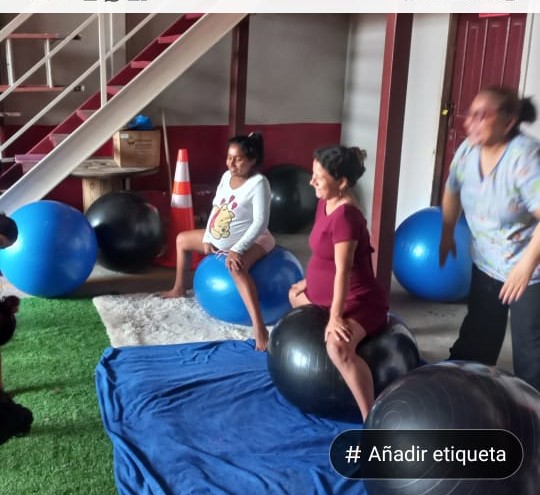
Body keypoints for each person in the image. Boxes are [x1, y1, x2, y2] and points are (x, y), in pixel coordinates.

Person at [439, 87, 540, 391]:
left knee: (530, 350)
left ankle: (532, 409)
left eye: (482, 116)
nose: (470, 122)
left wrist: (525, 267)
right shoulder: (468, 150)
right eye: (471, 114)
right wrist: (447, 233)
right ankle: (460, 394)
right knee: (478, 336)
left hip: (531, 268)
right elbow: (452, 189)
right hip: (487, 262)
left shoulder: (524, 157)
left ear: (508, 122)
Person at [288, 145, 389, 421]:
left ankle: (372, 419)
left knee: (337, 347)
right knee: (294, 294)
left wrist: (335, 318)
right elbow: (324, 255)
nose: (311, 182)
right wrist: (308, 281)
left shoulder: (346, 216)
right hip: (326, 296)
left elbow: (343, 271)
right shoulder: (325, 201)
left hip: (358, 300)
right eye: (313, 174)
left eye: (319, 178)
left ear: (342, 182)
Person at [161, 133, 275, 352]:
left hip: (256, 238)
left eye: (238, 159)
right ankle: (179, 288)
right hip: (224, 238)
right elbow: (216, 207)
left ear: (252, 160)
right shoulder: (226, 176)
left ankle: (259, 328)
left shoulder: (259, 183)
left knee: (236, 267)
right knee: (182, 239)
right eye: (229, 157)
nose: (231, 163)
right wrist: (208, 237)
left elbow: (260, 223)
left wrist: (237, 250)